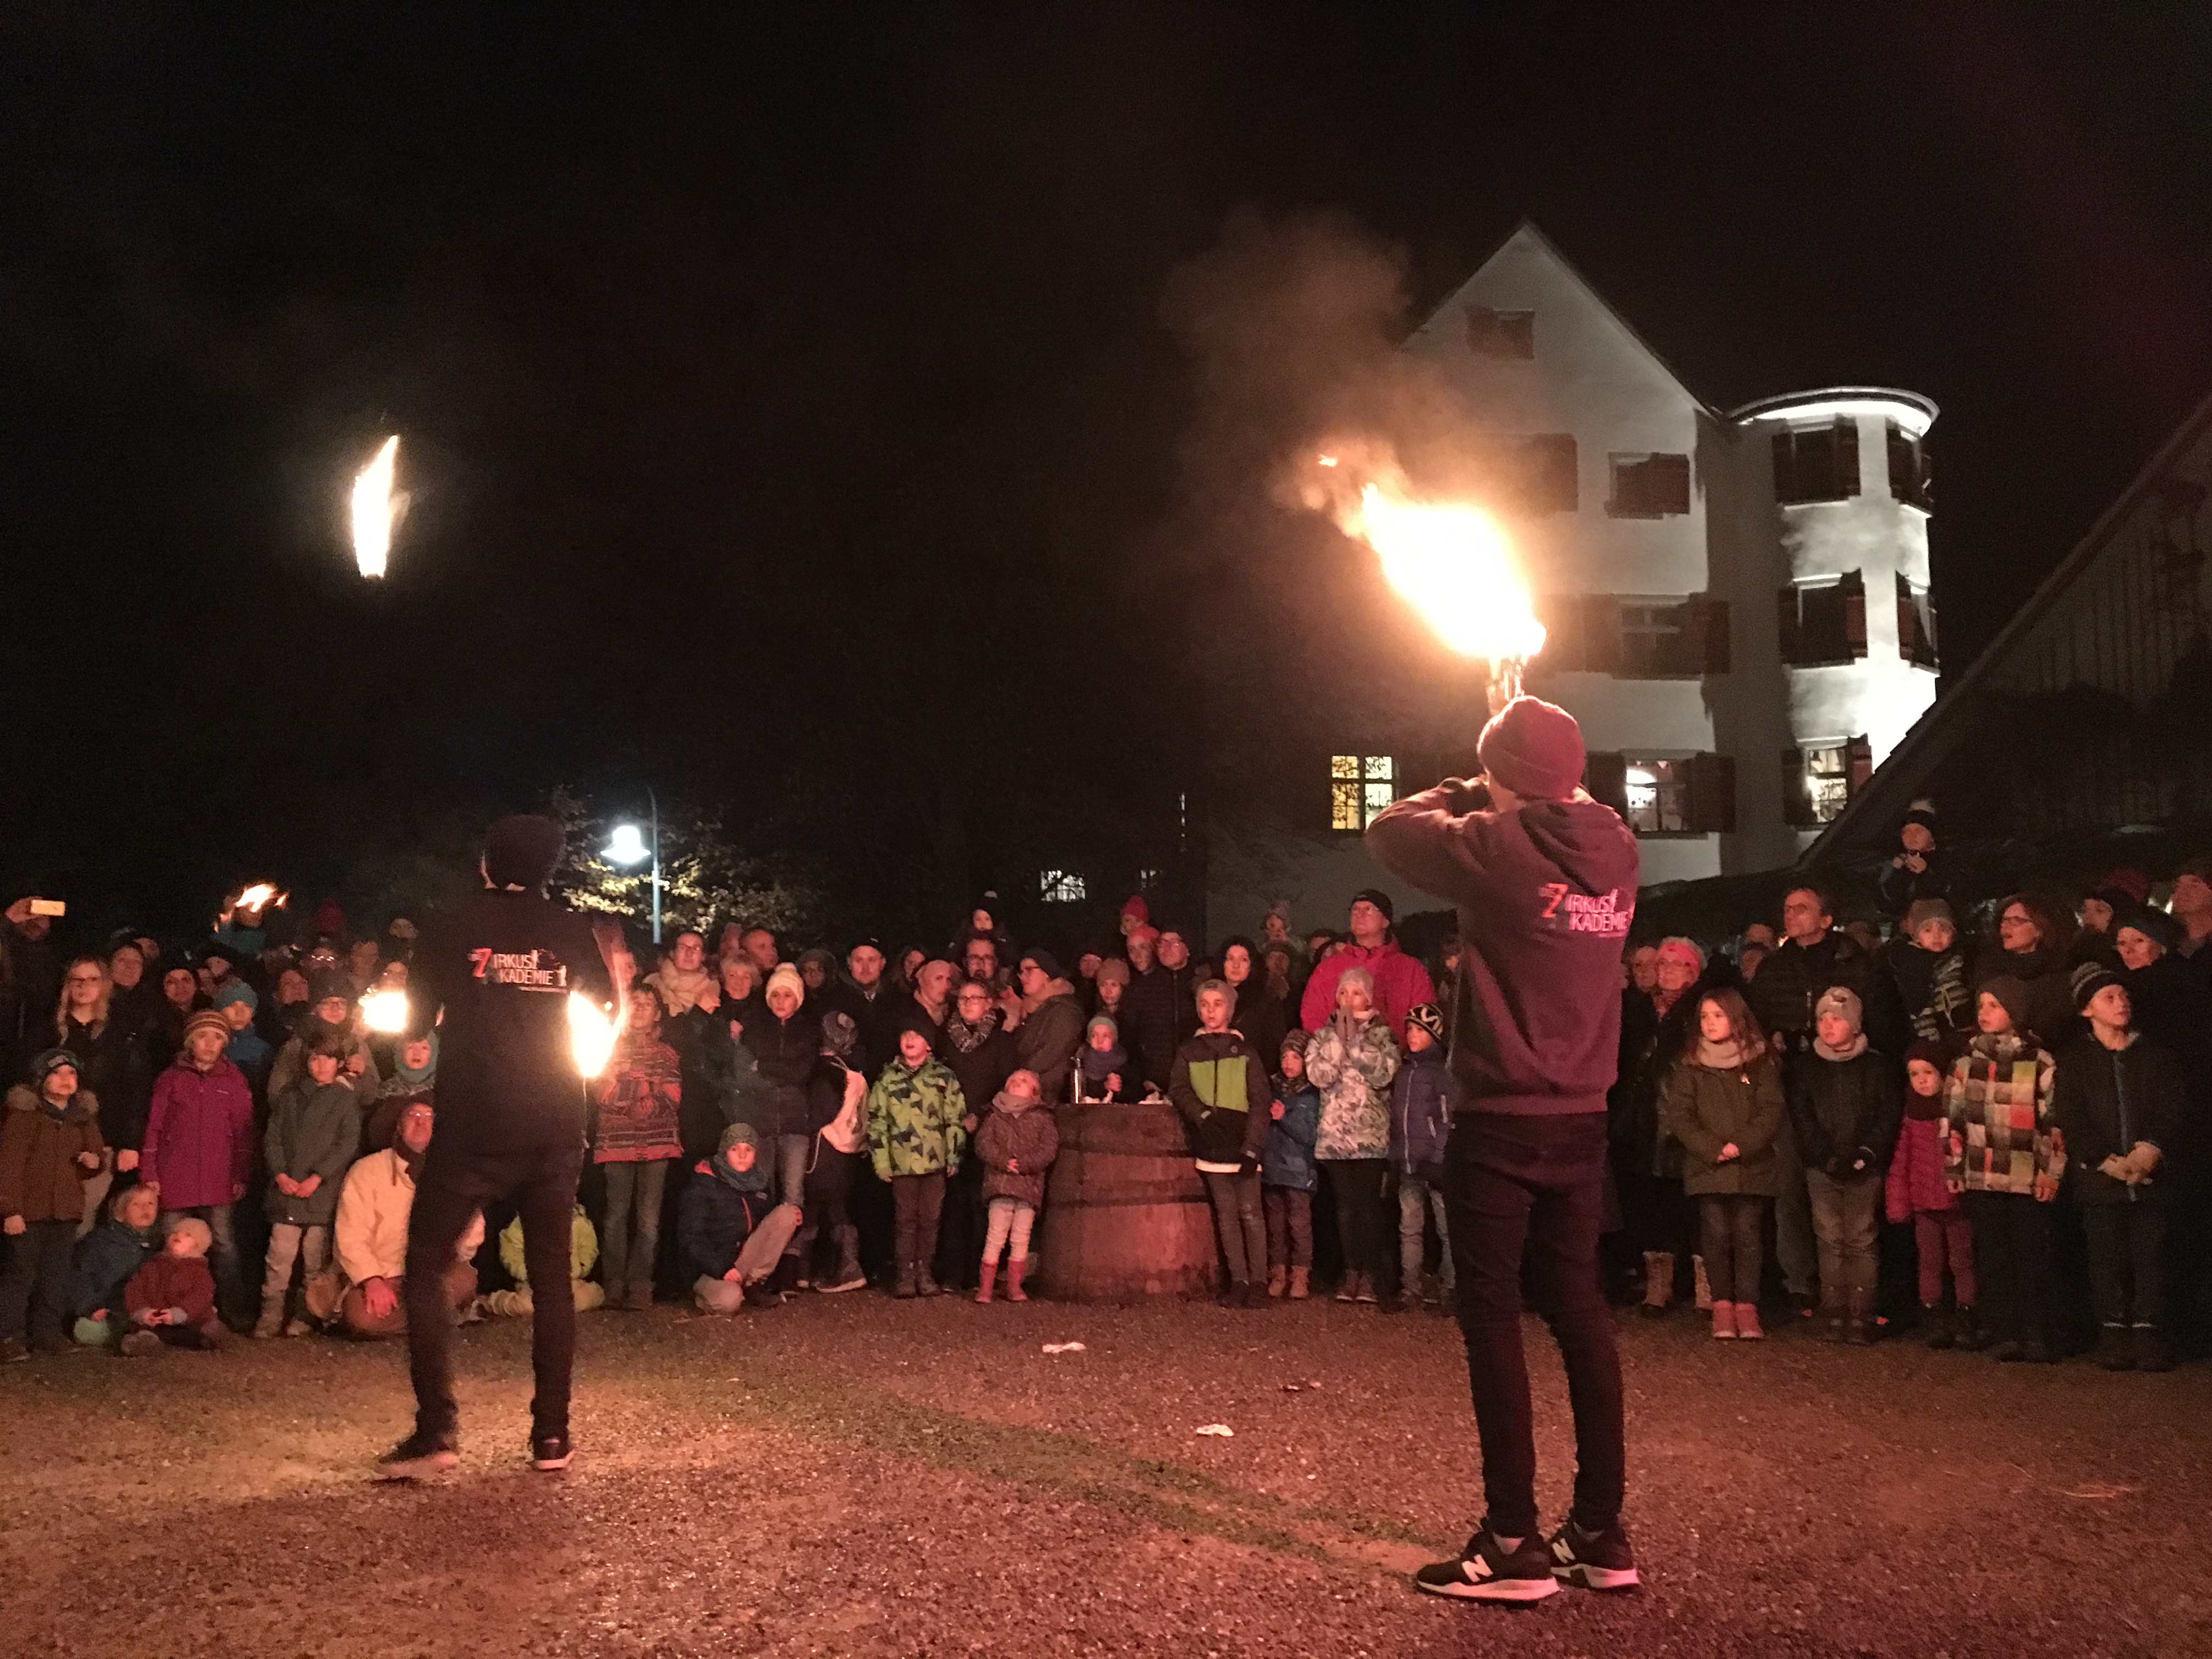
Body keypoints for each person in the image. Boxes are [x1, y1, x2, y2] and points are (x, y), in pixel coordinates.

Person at [1365, 693, 1642, 1604]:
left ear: (1502, 779)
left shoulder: (1498, 849)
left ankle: (1513, 1539)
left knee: (1489, 1311)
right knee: (1575, 1304)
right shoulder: (1616, 843)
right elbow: (1568, 799)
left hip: (1501, 1113)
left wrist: (1467, 782)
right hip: (1582, 1112)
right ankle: (1601, 1530)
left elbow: (1391, 826)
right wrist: (1517, 777)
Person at [375, 813, 620, 1479]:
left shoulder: (451, 925)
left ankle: (436, 1433)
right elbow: (606, 1005)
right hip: (553, 1116)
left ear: (488, 862)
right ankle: (551, 1436)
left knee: (427, 1258)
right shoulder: (571, 928)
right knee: (550, 1277)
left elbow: (416, 1022)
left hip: (475, 1119)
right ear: (548, 868)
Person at [2056, 967, 2182, 1370]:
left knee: (2151, 1257)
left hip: (2149, 1179)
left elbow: (2172, 1108)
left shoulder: (2155, 1056)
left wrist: (2151, 1150)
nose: (2121, 1003)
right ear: (2086, 1009)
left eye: (2123, 995)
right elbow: (2071, 1116)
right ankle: (2112, 1330)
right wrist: (2104, 1160)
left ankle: (2148, 1331)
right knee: (2105, 1257)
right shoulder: (2075, 1062)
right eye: (2108, 997)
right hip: (2100, 1181)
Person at [1943, 978, 2061, 1364]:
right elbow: (1954, 1121)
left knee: (2030, 1256)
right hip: (1983, 1174)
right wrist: (1954, 1166)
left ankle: (2035, 1331)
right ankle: (2005, 1330)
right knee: (1993, 1256)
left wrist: (2051, 1172)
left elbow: (2053, 1123)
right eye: (1982, 1005)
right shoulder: (1965, 1064)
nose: (1985, 1013)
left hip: (2026, 1177)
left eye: (1995, 1005)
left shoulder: (2039, 1062)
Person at [1660, 991, 1784, 1343]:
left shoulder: (1759, 1061)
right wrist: (1712, 1148)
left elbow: (1771, 1109)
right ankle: (1721, 1305)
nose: (1711, 1023)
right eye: (1705, 1017)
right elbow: (1680, 1114)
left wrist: (1741, 1145)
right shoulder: (1690, 1064)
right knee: (1714, 1236)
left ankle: (1747, 1305)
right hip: (1707, 1165)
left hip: (1750, 1164)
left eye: (1718, 1015)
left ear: (1736, 1018)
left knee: (1748, 1236)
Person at [1788, 988, 1901, 1344]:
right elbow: (1802, 1116)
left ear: (1854, 1024)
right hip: (1823, 1166)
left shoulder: (1876, 1067)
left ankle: (1861, 1312)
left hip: (1864, 1165)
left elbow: (1887, 1115)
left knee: (1861, 1237)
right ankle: (1834, 1310)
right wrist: (1824, 1156)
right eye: (1822, 1019)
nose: (1828, 1025)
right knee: (1830, 1237)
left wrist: (1866, 1153)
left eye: (1837, 1019)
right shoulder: (1807, 1068)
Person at [329, 1099, 483, 1341]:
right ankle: (433, 1321)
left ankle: (415, 1321)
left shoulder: (451, 1171)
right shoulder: (367, 1170)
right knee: (360, 1315)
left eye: (429, 1116)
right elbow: (350, 1235)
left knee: (464, 1280)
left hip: (431, 1274)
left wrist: (448, 1257)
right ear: (399, 1126)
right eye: (413, 1116)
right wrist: (372, 1281)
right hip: (384, 1277)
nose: (421, 1123)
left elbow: (472, 1227)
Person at [142, 1009, 255, 1327]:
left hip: (218, 1178)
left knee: (223, 1245)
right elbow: (154, 1127)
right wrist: (149, 1171)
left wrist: (240, 1173)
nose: (209, 1043)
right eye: (203, 1036)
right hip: (175, 1174)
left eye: (217, 1037)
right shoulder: (172, 1078)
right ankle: (161, 1311)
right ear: (191, 1040)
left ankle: (232, 1308)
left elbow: (244, 1131)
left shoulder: (233, 1080)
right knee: (170, 1244)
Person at [1170, 979, 1273, 1307]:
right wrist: (1201, 1116)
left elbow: (1260, 1100)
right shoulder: (1189, 1051)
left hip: (1242, 1141)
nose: (1210, 1011)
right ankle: (1239, 1280)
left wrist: (1253, 1146)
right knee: (1227, 1215)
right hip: (1211, 1142)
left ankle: (1259, 1282)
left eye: (1217, 1004)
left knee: (1251, 1214)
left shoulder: (1245, 1052)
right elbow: (1180, 1089)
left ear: (1229, 1009)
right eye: (1205, 1004)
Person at [0, 1048, 107, 1359]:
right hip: (28, 1211)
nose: (65, 1080)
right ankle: (8, 1336)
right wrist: (10, 1210)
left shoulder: (82, 1119)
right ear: (41, 1079)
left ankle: (47, 1332)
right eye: (57, 1073)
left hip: (65, 1210)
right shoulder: (24, 1118)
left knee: (54, 1274)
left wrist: (93, 1161)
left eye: (71, 1074)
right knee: (20, 1274)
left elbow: (97, 1157)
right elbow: (9, 1165)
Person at [1304, 966, 1399, 1306]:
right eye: (1343, 993)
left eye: (1356, 993)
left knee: (1369, 1208)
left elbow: (1383, 1074)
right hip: (1336, 1140)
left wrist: (1355, 1042)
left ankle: (1373, 1275)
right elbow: (1318, 1075)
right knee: (1345, 1209)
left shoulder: (1383, 1036)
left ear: (1368, 997)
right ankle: (1351, 1271)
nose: (1348, 999)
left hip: (1370, 1138)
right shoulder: (1322, 1036)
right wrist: (1337, 1042)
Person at [256, 1030, 360, 1338]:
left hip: (320, 1193)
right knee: (279, 1259)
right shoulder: (290, 1096)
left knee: (314, 1261)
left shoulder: (344, 1100)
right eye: (315, 1058)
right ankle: (271, 1314)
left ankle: (307, 1313)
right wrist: (280, 1174)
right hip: (287, 1192)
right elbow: (272, 1137)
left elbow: (347, 1143)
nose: (321, 1065)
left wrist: (318, 1177)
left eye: (328, 1059)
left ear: (338, 1063)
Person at [591, 985, 684, 1312]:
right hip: (617, 1144)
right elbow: (603, 1092)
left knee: (648, 1220)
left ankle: (641, 1285)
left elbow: (672, 1096)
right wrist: (647, 1087)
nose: (642, 1009)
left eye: (649, 1004)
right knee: (616, 1217)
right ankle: (614, 1285)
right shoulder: (607, 1048)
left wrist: (628, 1084)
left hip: (656, 1145)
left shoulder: (667, 1054)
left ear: (658, 1013)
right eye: (636, 1003)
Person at [1887, 1039, 1979, 1349]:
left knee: (1962, 1261)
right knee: (1929, 1261)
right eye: (1914, 1074)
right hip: (1924, 1203)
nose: (1922, 1080)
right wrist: (1898, 1201)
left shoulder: (1956, 1112)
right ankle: (1934, 1316)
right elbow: (1902, 1159)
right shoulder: (1912, 1115)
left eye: (1928, 1072)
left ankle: (1966, 1315)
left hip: (1956, 1201)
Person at [867, 1023, 968, 1297]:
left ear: (929, 1044)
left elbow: (954, 1120)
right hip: (902, 1163)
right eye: (905, 1034)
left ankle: (925, 1271)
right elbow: (877, 1122)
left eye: (917, 1035)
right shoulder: (888, 1079)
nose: (910, 1040)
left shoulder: (943, 1077)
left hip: (934, 1164)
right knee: (906, 1219)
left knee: (931, 1218)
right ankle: (905, 1273)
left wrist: (954, 1155)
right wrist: (882, 1161)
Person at [55, 954, 150, 1227]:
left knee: (84, 1218)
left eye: (92, 979)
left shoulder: (121, 1034)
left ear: (104, 985)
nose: (84, 986)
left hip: (103, 1138)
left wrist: (130, 1144)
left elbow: (135, 1090)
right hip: (56, 1138)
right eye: (78, 980)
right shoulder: (51, 1032)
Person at [935, 979, 1015, 1289]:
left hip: (988, 1127)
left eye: (976, 998)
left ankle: (983, 1272)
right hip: (949, 1129)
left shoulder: (1002, 1043)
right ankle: (953, 1272)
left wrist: (980, 1114)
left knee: (982, 1202)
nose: (969, 1003)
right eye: (964, 998)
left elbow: (1008, 1086)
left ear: (988, 1003)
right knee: (952, 1201)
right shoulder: (944, 1040)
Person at [680, 1121, 802, 1314]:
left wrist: (796, 1220)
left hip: (741, 1262)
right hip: (710, 1269)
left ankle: (753, 1284)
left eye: (749, 1149)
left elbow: (767, 1229)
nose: (743, 1156)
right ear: (724, 1152)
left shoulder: (758, 1182)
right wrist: (722, 1269)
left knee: (787, 1213)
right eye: (735, 1149)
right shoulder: (704, 1185)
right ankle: (701, 1296)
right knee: (729, 1301)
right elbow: (691, 1238)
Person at [1388, 1002, 1458, 1313]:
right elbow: (1398, 1119)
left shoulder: (1441, 1074)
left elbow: (1445, 1120)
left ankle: (1451, 1288)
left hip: (1435, 1164)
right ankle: (1411, 1287)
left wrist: (1440, 1158)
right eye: (1410, 1030)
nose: (1413, 1035)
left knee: (1446, 1229)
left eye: (1420, 1030)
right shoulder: (1404, 1072)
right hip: (1408, 1162)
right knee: (1409, 1228)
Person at [1298, 889, 1437, 1042]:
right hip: (1336, 1061)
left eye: (1369, 910)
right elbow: (1312, 1014)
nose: (1360, 915)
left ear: (1386, 921)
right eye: (1355, 910)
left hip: (1396, 1061)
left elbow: (1424, 1019)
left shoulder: (1411, 970)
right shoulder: (1329, 968)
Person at [972, 1069, 1058, 1304]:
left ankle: (1014, 1287)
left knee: (1021, 1238)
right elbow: (984, 1143)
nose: (1019, 1083)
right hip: (1000, 1185)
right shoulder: (995, 1115)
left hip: (1028, 1187)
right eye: (1015, 1080)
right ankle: (986, 1288)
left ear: (1035, 1091)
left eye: (1026, 1081)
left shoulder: (1043, 1117)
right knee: (995, 1236)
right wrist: (1003, 1161)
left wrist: (1026, 1164)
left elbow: (1048, 1149)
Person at [801, 1012, 870, 1293]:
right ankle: (834, 1269)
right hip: (850, 1147)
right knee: (836, 1206)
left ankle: (809, 1271)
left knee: (815, 1207)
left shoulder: (827, 1072)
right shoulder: (856, 1073)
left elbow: (822, 1113)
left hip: (825, 1147)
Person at [118, 1216, 232, 1356]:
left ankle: (206, 1338)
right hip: (156, 1319)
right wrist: (142, 1312)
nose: (178, 1236)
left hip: (192, 1319)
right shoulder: (153, 1265)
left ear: (199, 1244)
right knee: (145, 1334)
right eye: (175, 1233)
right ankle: (146, 1343)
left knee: (208, 1327)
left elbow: (201, 1297)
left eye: (188, 1235)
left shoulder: (199, 1271)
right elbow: (134, 1289)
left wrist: (180, 1313)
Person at [1263, 1031, 1321, 1299]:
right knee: (1275, 1226)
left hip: (1299, 1172)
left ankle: (1300, 1277)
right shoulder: (1270, 1088)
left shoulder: (1311, 1095)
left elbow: (1310, 1135)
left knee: (1299, 1227)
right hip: (1274, 1169)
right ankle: (1278, 1273)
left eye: (1295, 1057)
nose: (1288, 1062)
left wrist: (1284, 1117)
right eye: (1285, 1056)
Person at [71, 1181, 161, 1347]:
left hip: (137, 1308)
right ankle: (129, 1339)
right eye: (137, 1204)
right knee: (88, 1330)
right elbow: (80, 1276)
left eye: (150, 1204)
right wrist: (90, 1307)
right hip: (104, 1308)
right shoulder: (101, 1242)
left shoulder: (156, 1244)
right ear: (120, 1213)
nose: (145, 1209)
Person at [1988, 893, 2080, 1052]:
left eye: (2016, 921)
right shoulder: (1991, 971)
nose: (2005, 926)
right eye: (2004, 920)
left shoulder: (2062, 977)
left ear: (2039, 929)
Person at [1883, 898, 1976, 1046]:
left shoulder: (1964, 958)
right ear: (1916, 936)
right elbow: (1918, 1005)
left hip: (1968, 1030)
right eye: (1927, 930)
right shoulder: (1911, 964)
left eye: (1944, 929)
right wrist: (1931, 1042)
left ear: (1954, 933)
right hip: (1937, 1036)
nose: (1937, 935)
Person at [482, 1205, 605, 1317]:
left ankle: (598, 1292)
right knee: (527, 1306)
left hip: (569, 1281)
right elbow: (511, 1253)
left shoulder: (578, 1222)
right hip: (534, 1284)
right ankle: (494, 1301)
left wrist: (579, 1269)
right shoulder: (522, 1224)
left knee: (582, 1300)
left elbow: (589, 1249)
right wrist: (528, 1274)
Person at [1121, 926, 1199, 1092]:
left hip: (1197, 1084)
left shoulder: (1201, 985)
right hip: (1154, 1085)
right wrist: (1142, 1078)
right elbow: (1128, 1038)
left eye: (1174, 943)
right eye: (1162, 943)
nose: (1167, 948)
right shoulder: (1141, 988)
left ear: (1188, 950)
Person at [1009, 950, 1084, 1104]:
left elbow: (1052, 1051)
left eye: (1029, 970)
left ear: (1047, 973)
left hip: (1048, 1098)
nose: (1023, 977)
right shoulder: (1032, 1011)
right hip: (1029, 1094)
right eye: (1021, 972)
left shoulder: (1064, 1010)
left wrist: (1017, 1073)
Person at [1217, 936, 1288, 1073]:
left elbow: (1274, 1045)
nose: (1236, 965)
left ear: (1252, 964)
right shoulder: (1208, 995)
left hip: (1253, 1075)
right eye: (1230, 958)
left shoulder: (1267, 999)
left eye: (1243, 960)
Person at [367, 1033, 438, 1155]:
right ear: (400, 1051)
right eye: (411, 1047)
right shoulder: (385, 1090)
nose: (417, 1053)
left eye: (424, 1048)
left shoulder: (442, 1090)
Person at [1876, 798, 1949, 917]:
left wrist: (1926, 874)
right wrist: (1897, 874)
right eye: (1906, 832)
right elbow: (1886, 905)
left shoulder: (1947, 861)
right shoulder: (1894, 864)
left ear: (1932, 836)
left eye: (1918, 830)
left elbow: (1950, 899)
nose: (1912, 836)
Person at [213, 981, 273, 1095]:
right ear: (220, 1010)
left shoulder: (264, 1051)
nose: (239, 1013)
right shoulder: (209, 1045)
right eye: (231, 1005)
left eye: (247, 1006)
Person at [646, 930, 716, 1017]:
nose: (689, 953)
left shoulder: (712, 989)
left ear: (703, 956)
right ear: (672, 954)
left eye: (696, 949)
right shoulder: (652, 983)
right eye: (682, 948)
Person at [1073, 1014, 1128, 1103]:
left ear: (1113, 1039)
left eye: (1106, 1036)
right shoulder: (1080, 1062)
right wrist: (1104, 1086)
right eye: (1095, 1036)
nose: (1100, 1041)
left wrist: (1119, 1088)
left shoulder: (1124, 1062)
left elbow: (1134, 1093)